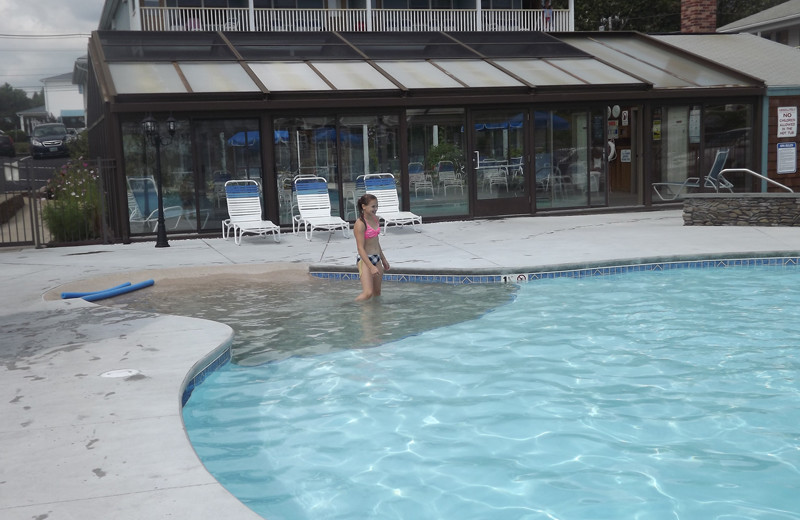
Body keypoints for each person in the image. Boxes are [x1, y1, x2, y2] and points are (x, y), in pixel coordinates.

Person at [354, 193, 390, 301]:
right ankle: (351, 308)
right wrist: (371, 266)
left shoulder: (375, 219)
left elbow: (376, 241)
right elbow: (360, 248)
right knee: (368, 293)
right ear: (364, 207)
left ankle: (375, 315)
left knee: (377, 293)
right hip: (365, 260)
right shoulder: (360, 224)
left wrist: (383, 259)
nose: (375, 209)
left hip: (377, 258)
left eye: (376, 206)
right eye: (373, 206)